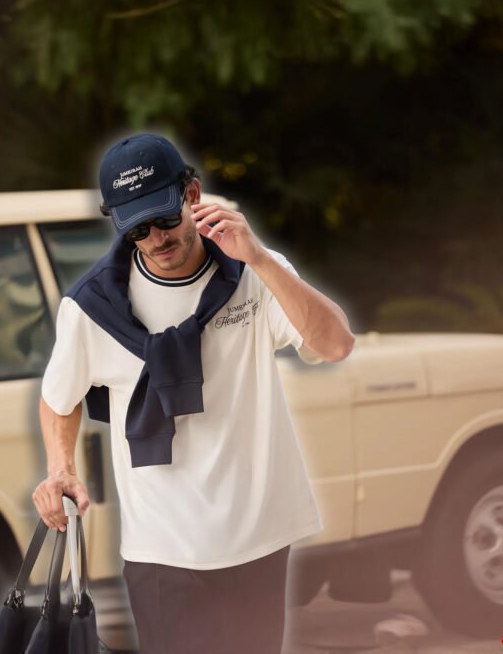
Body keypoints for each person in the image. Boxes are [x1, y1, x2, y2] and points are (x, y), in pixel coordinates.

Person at [32, 132, 355, 654]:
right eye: (137, 228)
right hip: (164, 550)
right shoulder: (94, 308)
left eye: (163, 217)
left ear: (192, 194)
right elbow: (58, 396)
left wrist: (260, 260)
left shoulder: (253, 273)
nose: (156, 238)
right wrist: (60, 467)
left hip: (259, 536)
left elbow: (335, 344)